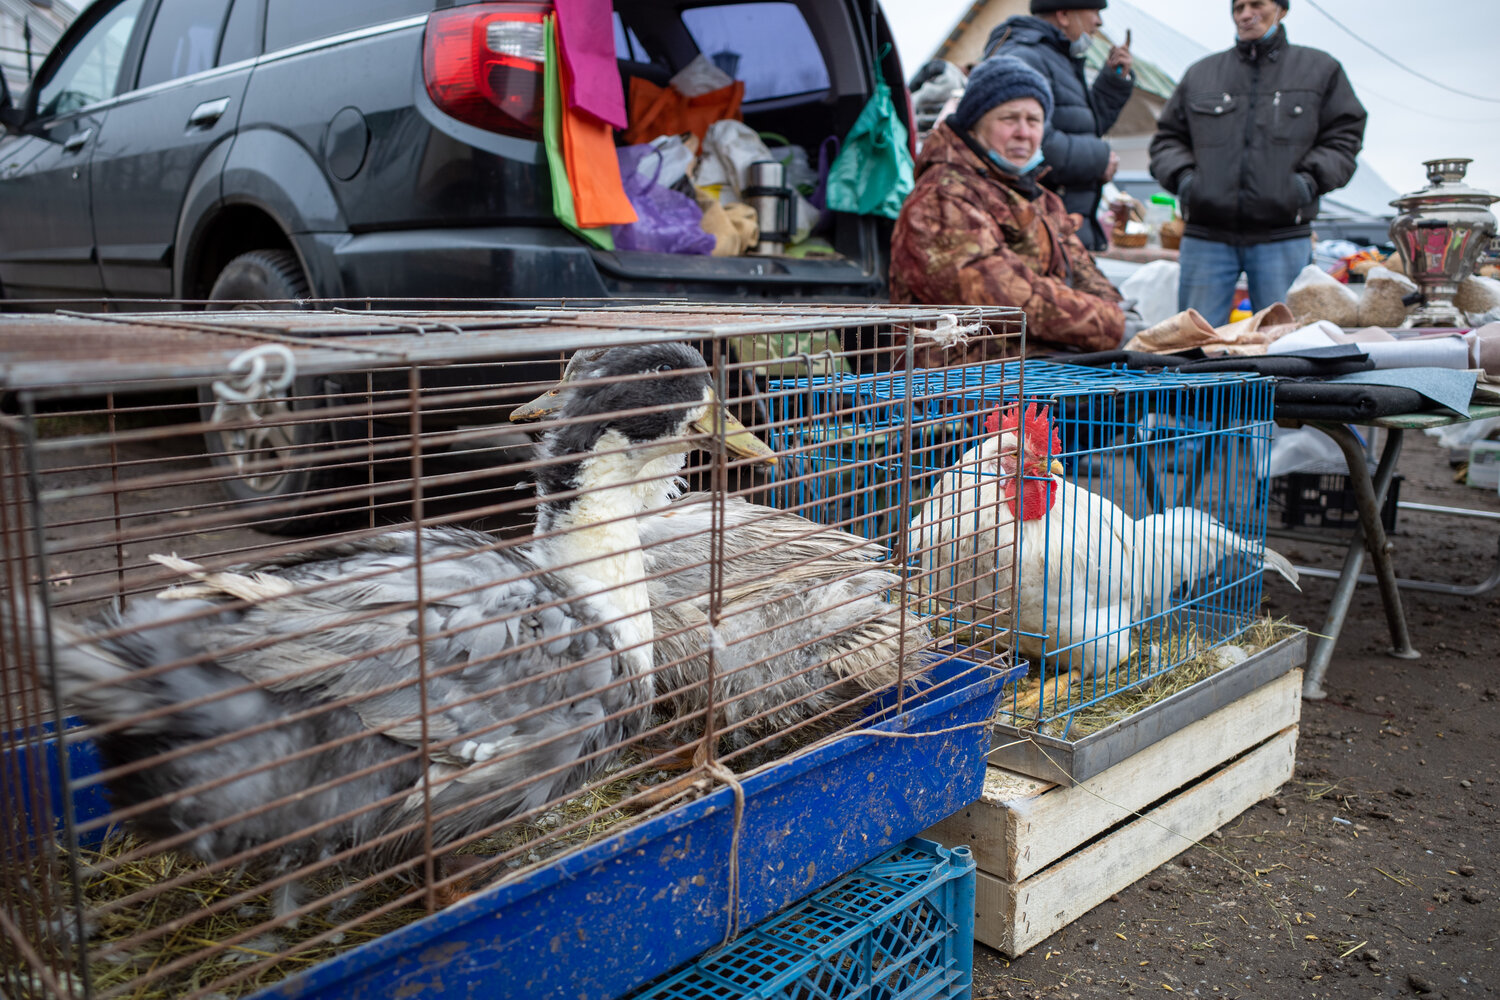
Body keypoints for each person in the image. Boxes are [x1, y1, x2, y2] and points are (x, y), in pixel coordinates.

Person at [1149, 0, 1367, 327]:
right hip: (1207, 236)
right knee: (1194, 343)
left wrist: (1304, 185)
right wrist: (1187, 182)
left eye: (1256, 4)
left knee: (1285, 344)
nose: (1246, 14)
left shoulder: (1320, 70)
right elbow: (1167, 139)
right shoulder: (1201, 74)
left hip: (1282, 236)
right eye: (1238, 7)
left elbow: (1344, 137)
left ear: (1281, 9)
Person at [890, 55, 1125, 356]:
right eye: (1009, 119)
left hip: (1037, 370)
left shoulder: (1041, 198)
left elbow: (1082, 271)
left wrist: (1117, 310)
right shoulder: (940, 198)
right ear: (975, 125)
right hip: (959, 385)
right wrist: (1111, 325)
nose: (1023, 133)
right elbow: (1000, 296)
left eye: (1033, 121)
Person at [984, 1, 1134, 251]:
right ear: (1064, 14)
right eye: (1095, 12)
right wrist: (1100, 159)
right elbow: (1029, 144)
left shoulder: (1058, 58)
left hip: (1061, 230)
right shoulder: (1026, 57)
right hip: (1040, 234)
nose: (1099, 22)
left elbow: (1082, 127)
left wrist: (1113, 81)